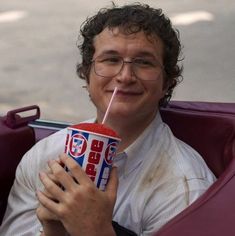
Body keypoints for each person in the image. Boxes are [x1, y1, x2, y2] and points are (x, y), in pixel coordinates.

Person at [0, 3, 216, 236]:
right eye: (111, 59)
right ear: (86, 73)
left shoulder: (185, 186)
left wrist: (97, 230)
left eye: (144, 62)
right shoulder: (44, 156)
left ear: (167, 82)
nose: (125, 76)